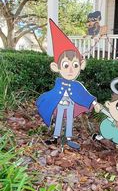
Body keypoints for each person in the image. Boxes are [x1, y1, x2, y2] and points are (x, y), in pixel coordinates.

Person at [36, 19, 99, 149]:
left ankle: (68, 138)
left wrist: (94, 103)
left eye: (75, 65)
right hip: (59, 104)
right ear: (56, 67)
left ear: (81, 66)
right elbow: (53, 94)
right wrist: (44, 100)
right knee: (59, 119)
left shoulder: (77, 85)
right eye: (66, 65)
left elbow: (84, 95)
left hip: (70, 105)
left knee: (69, 120)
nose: (70, 70)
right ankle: (55, 137)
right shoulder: (58, 82)